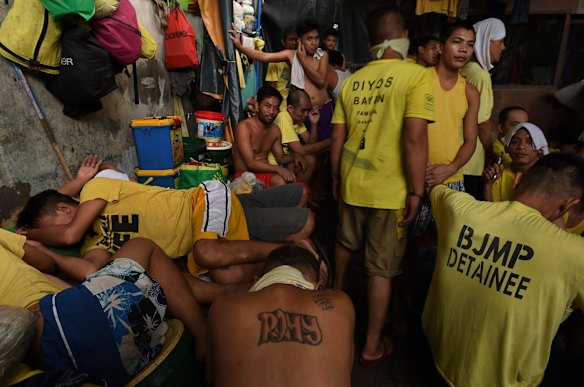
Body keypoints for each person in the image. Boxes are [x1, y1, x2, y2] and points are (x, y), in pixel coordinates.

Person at [422, 152, 584, 387]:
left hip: (440, 358)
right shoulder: (575, 254)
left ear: (517, 181)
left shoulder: (460, 208)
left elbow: (434, 186)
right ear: (568, 204)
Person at [331, 6, 434, 366]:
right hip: (390, 192)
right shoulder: (417, 76)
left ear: (372, 41)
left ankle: (331, 311)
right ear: (403, 36)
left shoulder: (352, 80)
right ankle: (370, 345)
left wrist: (335, 178)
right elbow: (415, 139)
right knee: (381, 270)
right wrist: (416, 191)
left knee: (344, 246)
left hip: (352, 182)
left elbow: (338, 136)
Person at [16, 176, 314, 288]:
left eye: (49, 231)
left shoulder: (96, 188)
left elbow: (68, 235)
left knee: (207, 253)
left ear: (67, 210)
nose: (56, 239)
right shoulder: (93, 241)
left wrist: (30, 236)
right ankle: (291, 240)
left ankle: (292, 254)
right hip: (207, 227)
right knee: (222, 274)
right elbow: (90, 270)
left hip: (201, 201)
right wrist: (44, 254)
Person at [0, 230, 207, 385]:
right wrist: (37, 249)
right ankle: (203, 339)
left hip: (61, 359)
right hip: (68, 321)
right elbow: (44, 262)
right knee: (143, 245)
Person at [207, 244, 354, 387]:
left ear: (256, 281)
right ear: (317, 287)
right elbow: (342, 371)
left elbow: (210, 377)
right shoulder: (341, 304)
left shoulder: (221, 306)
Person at [410, 21, 479, 237]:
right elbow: (403, 131)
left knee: (446, 244)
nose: (463, 49)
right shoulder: (418, 80)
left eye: (470, 44)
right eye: (457, 42)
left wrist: (451, 168)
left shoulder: (470, 92)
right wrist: (421, 169)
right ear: (440, 47)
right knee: (408, 242)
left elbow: (470, 140)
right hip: (416, 177)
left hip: (453, 180)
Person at [230, 20, 333, 141]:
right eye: (309, 39)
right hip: (302, 114)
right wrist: (240, 46)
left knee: (326, 148)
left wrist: (302, 59)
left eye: (316, 38)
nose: (314, 43)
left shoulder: (322, 55)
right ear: (300, 40)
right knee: (309, 148)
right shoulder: (291, 55)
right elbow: (265, 57)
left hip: (324, 109)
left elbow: (320, 80)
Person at [460, 17, 507, 199]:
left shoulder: (463, 69)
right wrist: (491, 154)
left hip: (458, 157)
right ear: (486, 40)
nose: (503, 47)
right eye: (500, 41)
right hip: (472, 161)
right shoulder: (480, 75)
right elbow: (480, 123)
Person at [233, 85, 305, 187]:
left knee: (303, 188)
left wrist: (295, 156)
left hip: (266, 173)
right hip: (245, 176)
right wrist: (279, 169)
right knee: (282, 182)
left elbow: (280, 158)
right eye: (268, 106)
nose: (271, 112)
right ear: (257, 106)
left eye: (276, 108)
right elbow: (251, 163)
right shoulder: (244, 127)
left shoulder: (275, 130)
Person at [268, 88, 331, 183]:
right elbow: (301, 150)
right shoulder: (284, 118)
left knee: (317, 156)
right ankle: (300, 192)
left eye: (308, 110)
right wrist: (332, 141)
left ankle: (305, 191)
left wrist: (314, 124)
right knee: (310, 160)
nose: (306, 114)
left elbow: (310, 143)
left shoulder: (297, 119)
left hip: (289, 160)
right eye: (303, 110)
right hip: (277, 164)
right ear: (290, 109)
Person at [483, 122, 548, 202]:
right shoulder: (499, 173)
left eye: (529, 142)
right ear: (506, 148)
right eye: (515, 141)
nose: (521, 146)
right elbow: (490, 210)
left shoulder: (547, 176)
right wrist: (488, 184)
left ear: (540, 149)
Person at [265, 26, 298, 112]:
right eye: (291, 40)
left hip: (296, 107)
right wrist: (276, 108)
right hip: (281, 107)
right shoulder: (275, 62)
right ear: (283, 42)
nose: (294, 43)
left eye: (296, 40)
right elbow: (273, 89)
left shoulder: (301, 61)